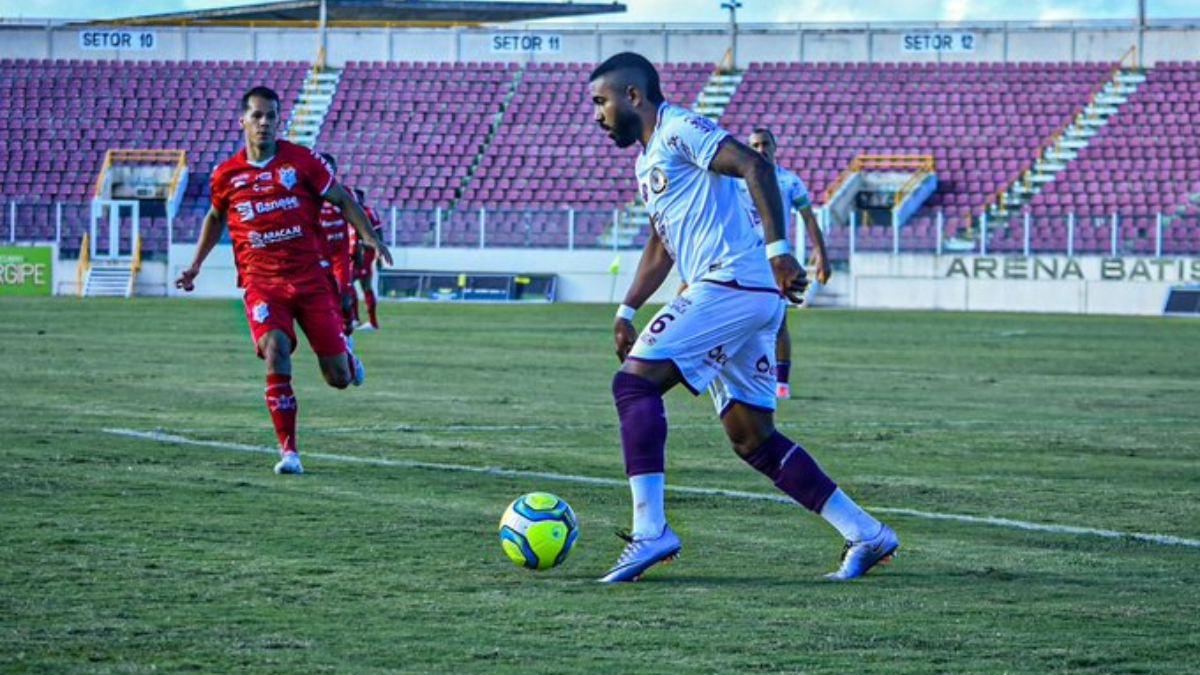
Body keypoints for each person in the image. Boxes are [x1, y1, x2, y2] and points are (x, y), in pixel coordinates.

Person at [589, 52, 897, 583]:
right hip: (742, 292)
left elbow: (756, 166)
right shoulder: (648, 161)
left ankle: (650, 532)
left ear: (632, 96)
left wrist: (780, 249)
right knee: (751, 437)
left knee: (633, 387)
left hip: (732, 280)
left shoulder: (681, 127)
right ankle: (865, 534)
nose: (597, 115)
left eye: (602, 102)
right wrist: (626, 308)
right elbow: (662, 244)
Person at [174, 85, 392, 475]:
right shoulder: (226, 174)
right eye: (256, 115)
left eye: (271, 116)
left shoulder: (301, 161)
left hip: (310, 281)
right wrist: (195, 266)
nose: (264, 123)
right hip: (262, 284)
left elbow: (342, 199)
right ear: (242, 120)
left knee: (338, 379)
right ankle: (289, 451)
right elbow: (214, 217)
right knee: (275, 348)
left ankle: (346, 353)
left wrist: (371, 237)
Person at [740, 126, 831, 400]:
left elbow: (809, 218)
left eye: (765, 144)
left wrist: (822, 255)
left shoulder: (789, 181)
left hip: (775, 261)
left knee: (779, 322)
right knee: (737, 320)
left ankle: (781, 384)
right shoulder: (736, 181)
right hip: (741, 260)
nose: (760, 150)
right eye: (754, 145)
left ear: (775, 147)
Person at [315, 152, 357, 335]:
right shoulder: (309, 194)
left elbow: (355, 220)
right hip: (317, 255)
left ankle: (347, 327)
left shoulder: (345, 193)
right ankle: (334, 333)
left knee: (344, 298)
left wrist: (360, 248)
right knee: (322, 299)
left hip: (340, 254)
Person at [350, 187, 384, 331]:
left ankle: (372, 322)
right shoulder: (347, 212)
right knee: (347, 285)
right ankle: (354, 319)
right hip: (350, 253)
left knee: (364, 285)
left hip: (365, 253)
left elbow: (378, 233)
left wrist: (379, 252)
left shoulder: (369, 213)